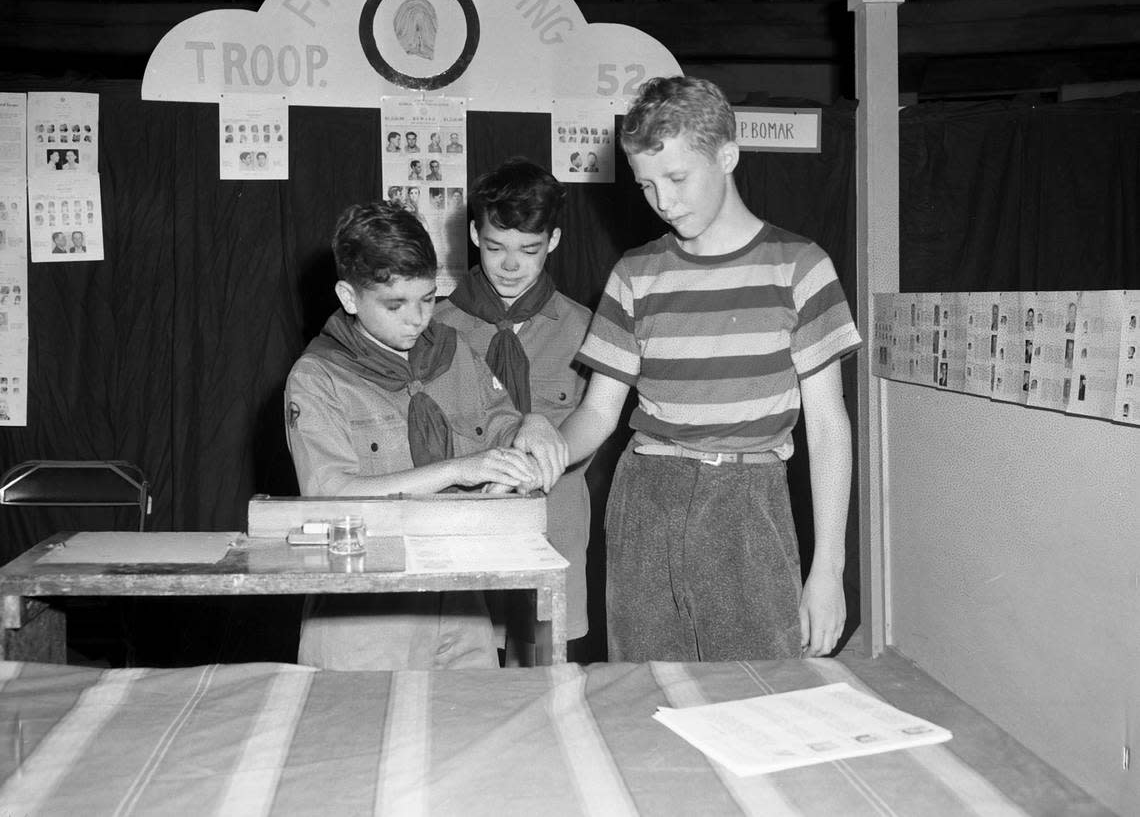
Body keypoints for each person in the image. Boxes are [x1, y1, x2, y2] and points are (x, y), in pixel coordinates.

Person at [516, 76, 861, 663]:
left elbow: (828, 428)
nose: (664, 202)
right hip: (646, 499)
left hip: (751, 504)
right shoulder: (635, 273)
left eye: (677, 179)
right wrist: (539, 453)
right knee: (648, 697)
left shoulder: (800, 268)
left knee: (760, 696)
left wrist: (828, 570)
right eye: (647, 185)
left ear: (727, 155)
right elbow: (599, 413)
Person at [284, 201, 565, 670]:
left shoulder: (454, 353)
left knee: (474, 732)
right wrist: (457, 469)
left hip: (460, 601)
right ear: (349, 297)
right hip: (365, 612)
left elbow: (503, 430)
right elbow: (329, 496)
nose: (417, 319)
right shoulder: (318, 379)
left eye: (428, 298)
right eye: (395, 304)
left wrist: (529, 429)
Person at [436, 156, 593, 662]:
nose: (509, 265)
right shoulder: (435, 329)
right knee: (466, 677)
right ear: (476, 235)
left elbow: (590, 434)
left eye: (528, 249)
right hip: (465, 528)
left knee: (546, 679)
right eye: (496, 246)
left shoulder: (586, 330)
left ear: (553, 241)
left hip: (555, 527)